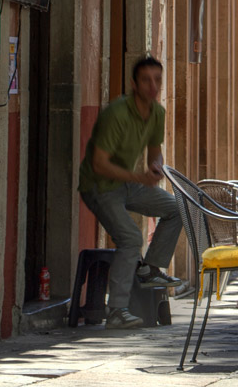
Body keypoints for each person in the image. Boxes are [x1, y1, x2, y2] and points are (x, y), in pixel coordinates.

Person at [78, 56, 184, 330]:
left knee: (176, 208)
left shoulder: (157, 113)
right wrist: (139, 177)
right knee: (130, 238)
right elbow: (100, 164)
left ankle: (150, 269)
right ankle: (116, 311)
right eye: (146, 80)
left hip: (126, 184)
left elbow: (154, 150)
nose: (153, 86)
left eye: (157, 80)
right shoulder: (116, 114)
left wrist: (156, 166)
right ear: (134, 84)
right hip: (98, 186)